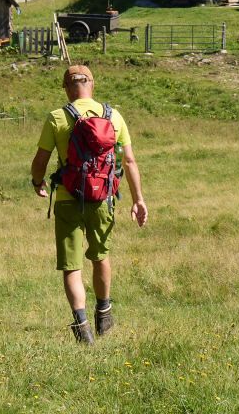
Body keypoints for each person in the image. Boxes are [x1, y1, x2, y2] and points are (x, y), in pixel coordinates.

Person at [30, 65, 148, 344]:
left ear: (66, 88)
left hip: (68, 199)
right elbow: (129, 161)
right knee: (100, 256)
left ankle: (82, 327)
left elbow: (40, 160)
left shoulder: (57, 117)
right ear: (92, 85)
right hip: (103, 199)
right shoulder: (114, 116)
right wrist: (138, 199)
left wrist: (37, 182)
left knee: (72, 266)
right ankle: (104, 314)